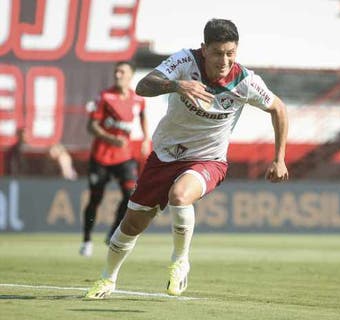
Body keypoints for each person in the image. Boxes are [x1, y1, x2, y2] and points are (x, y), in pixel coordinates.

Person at [85, 19, 288, 298]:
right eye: (218, 53)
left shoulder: (246, 81)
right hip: (165, 155)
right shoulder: (184, 61)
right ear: (204, 49)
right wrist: (178, 86)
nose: (225, 60)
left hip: (208, 159)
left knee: (180, 196)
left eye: (231, 53)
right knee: (131, 225)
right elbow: (144, 85)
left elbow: (278, 108)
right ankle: (108, 279)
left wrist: (280, 159)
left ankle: (180, 260)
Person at [79, 61, 151, 257]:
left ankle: (112, 232)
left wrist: (146, 138)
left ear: (131, 76)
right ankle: (86, 240)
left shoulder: (138, 100)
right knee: (96, 199)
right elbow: (91, 127)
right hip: (101, 157)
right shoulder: (104, 97)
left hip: (124, 157)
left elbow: (143, 116)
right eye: (116, 71)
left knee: (130, 194)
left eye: (122, 71)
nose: (118, 74)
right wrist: (111, 138)